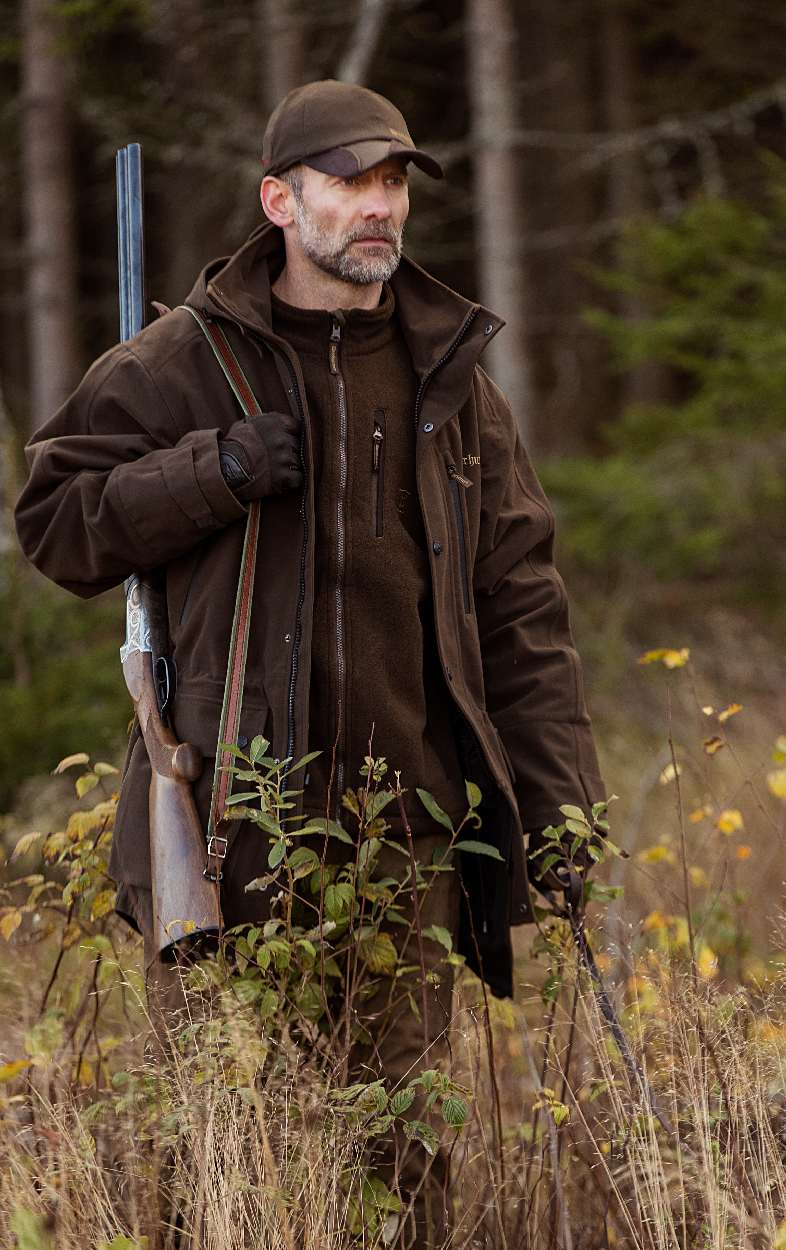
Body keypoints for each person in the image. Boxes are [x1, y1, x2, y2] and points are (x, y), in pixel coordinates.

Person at [14, 79, 606, 1244]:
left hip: (406, 845)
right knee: (226, 1155)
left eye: (392, 182)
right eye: (349, 181)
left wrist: (562, 812)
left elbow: (521, 612)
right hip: (231, 833)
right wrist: (212, 472)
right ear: (281, 201)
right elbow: (56, 525)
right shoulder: (179, 364)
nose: (377, 206)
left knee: (404, 1167)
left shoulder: (456, 391)